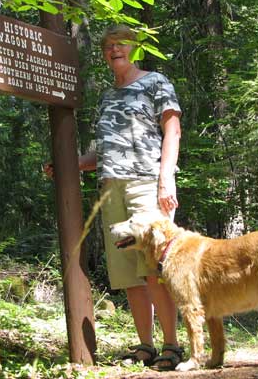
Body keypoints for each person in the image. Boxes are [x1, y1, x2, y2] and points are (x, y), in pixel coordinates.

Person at [45, 24, 183, 370]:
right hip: (111, 188)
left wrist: (166, 179)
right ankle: (146, 346)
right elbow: (107, 151)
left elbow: (173, 130)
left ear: (133, 48)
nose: (114, 50)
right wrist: (70, 165)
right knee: (127, 274)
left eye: (121, 44)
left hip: (147, 183)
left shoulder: (155, 82)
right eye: (108, 45)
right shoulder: (108, 96)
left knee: (154, 268)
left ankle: (172, 345)